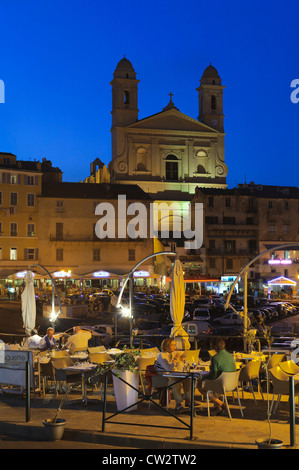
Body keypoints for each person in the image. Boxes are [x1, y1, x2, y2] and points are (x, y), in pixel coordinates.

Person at [197, 337, 236, 415]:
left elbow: (214, 375)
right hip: (232, 383)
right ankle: (217, 407)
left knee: (200, 386)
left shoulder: (215, 358)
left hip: (221, 384)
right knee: (211, 385)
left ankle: (220, 403)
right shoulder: (230, 356)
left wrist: (203, 378)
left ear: (214, 347)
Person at [154, 338, 191, 411]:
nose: (175, 346)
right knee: (174, 381)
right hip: (162, 376)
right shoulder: (162, 355)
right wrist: (176, 360)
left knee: (188, 379)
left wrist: (181, 359)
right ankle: (178, 404)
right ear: (167, 347)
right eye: (173, 345)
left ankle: (188, 400)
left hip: (171, 374)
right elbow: (168, 369)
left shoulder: (171, 353)